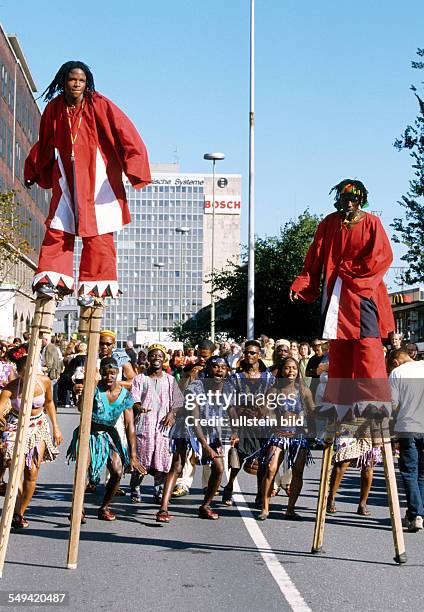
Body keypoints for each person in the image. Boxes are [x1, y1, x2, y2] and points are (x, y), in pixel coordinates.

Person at [24, 61, 151, 306]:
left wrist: (135, 166)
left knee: (99, 231)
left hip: (98, 174)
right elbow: (45, 142)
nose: (77, 84)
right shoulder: (54, 108)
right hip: (67, 176)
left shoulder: (99, 104)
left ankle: (94, 286)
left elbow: (125, 132)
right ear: (64, 81)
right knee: (59, 228)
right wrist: (34, 170)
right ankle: (52, 280)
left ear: (87, 83)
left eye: (81, 81)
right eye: (72, 79)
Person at [290, 179, 394, 418]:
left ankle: (374, 399)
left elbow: (382, 256)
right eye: (345, 199)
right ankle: (339, 400)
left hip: (363, 290)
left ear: (361, 200)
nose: (349, 203)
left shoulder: (372, 223)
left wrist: (354, 272)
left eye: (353, 199)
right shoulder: (329, 223)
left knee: (368, 344)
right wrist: (303, 282)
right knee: (338, 346)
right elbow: (315, 255)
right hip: (336, 291)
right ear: (338, 199)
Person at [68, 357, 145, 521]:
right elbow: (82, 409)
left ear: (118, 373)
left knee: (117, 472)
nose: (109, 377)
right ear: (100, 373)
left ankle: (104, 507)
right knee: (82, 470)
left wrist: (133, 456)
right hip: (89, 433)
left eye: (112, 373)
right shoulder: (94, 389)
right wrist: (84, 393)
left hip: (110, 435)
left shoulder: (124, 395)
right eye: (105, 373)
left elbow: (130, 425)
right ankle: (77, 508)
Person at [157, 356, 230, 522]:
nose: (219, 370)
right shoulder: (196, 386)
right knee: (177, 465)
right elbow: (194, 420)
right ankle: (163, 509)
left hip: (209, 429)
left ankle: (205, 506)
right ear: (207, 370)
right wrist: (206, 446)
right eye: (215, 366)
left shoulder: (228, 388)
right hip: (187, 426)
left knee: (219, 467)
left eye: (223, 367)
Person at [0, 346, 62, 528]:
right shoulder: (10, 388)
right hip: (15, 426)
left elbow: (50, 403)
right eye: (23, 374)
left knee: (32, 471)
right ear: (18, 373)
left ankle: (20, 511)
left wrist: (56, 427)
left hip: (38, 426)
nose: (28, 378)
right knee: (13, 467)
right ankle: (14, 501)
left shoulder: (44, 382)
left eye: (31, 373)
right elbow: (2, 408)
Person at [258, 357, 314, 520]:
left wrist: (314, 433)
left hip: (298, 435)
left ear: (298, 372)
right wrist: (262, 410)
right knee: (271, 469)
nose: (290, 371)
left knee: (298, 471)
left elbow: (312, 413)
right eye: (287, 368)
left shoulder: (303, 390)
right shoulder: (274, 390)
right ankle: (265, 507)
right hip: (278, 434)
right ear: (282, 371)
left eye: (294, 368)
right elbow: (265, 411)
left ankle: (290, 509)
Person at [222, 340, 275, 507]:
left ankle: (260, 495)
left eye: (253, 353)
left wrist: (264, 411)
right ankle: (230, 485)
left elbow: (273, 400)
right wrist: (235, 428)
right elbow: (229, 404)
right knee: (238, 457)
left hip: (263, 424)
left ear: (259, 354)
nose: (250, 356)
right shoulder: (235, 377)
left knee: (263, 460)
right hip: (242, 422)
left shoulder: (268, 378)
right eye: (247, 353)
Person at [130, 344, 184, 503]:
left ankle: (159, 491)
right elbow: (134, 398)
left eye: (160, 356)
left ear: (164, 359)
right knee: (142, 459)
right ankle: (135, 488)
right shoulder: (140, 379)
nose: (156, 359)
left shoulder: (170, 380)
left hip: (163, 426)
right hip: (145, 425)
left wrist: (171, 413)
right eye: (153, 355)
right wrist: (138, 406)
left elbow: (178, 401)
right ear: (148, 358)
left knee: (162, 460)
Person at [388, 349, 424, 531]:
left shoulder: (397, 373)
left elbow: (393, 404)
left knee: (410, 472)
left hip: (408, 427)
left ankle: (415, 513)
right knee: (422, 473)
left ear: (395, 361)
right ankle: (418, 513)